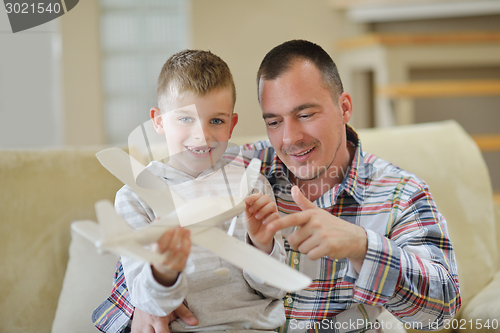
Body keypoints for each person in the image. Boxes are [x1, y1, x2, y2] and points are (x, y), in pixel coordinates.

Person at [100, 40, 462, 333]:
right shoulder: (241, 170)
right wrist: (143, 308)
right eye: (274, 121)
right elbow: (137, 257)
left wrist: (360, 246)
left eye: (306, 114)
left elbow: (443, 310)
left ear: (345, 106)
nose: (289, 138)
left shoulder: (399, 193)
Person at [92, 49, 287, 333]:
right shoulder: (135, 197)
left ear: (231, 125)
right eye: (185, 119)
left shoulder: (253, 185)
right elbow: (146, 303)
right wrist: (164, 271)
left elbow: (276, 290)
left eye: (216, 121)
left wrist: (261, 246)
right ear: (158, 121)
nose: (202, 135)